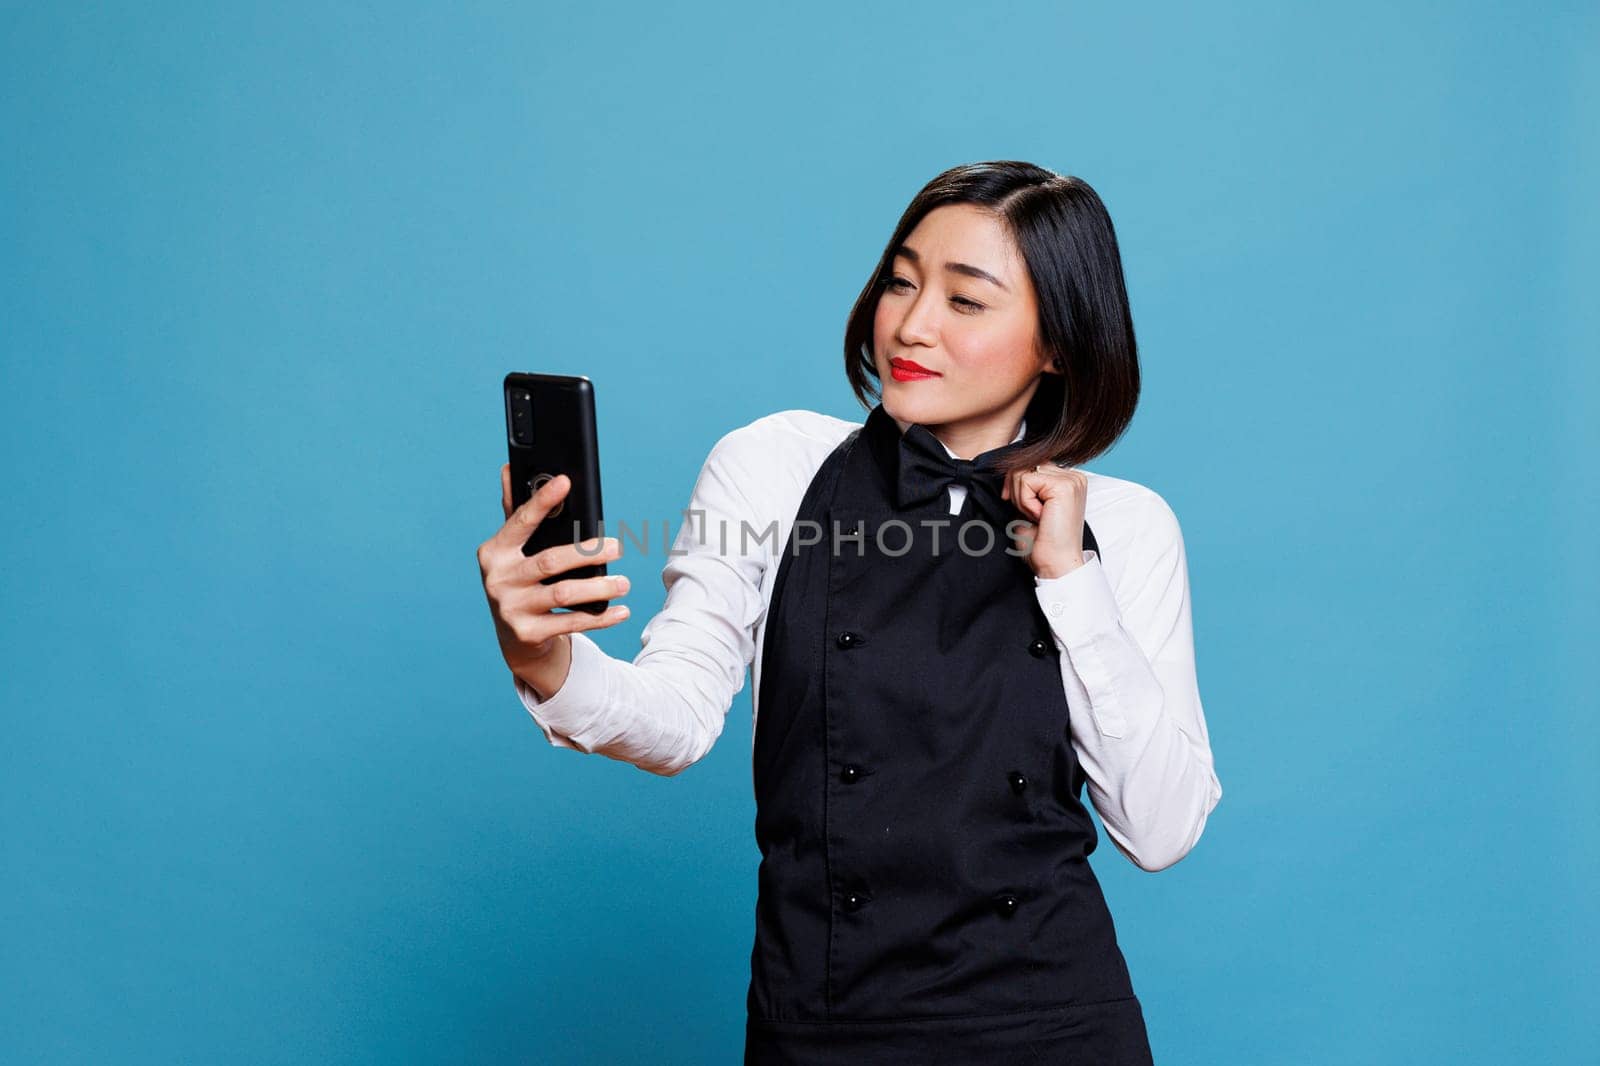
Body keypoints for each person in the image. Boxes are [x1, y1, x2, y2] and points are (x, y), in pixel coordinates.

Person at [477, 160, 1222, 1064]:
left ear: (1059, 342)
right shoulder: (774, 467)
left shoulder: (1128, 527)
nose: (912, 324)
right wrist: (543, 659)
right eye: (902, 281)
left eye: (967, 300)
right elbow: (674, 721)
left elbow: (1163, 828)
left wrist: (1070, 578)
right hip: (824, 1026)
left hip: (1055, 1025)